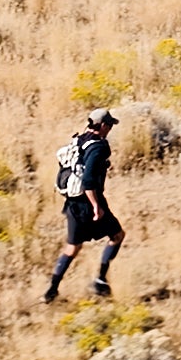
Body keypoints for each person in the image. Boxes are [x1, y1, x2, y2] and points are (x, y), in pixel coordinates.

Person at [43, 107, 124, 302]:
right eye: (110, 125)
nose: (110, 128)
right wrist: (96, 205)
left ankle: (51, 290)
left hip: (72, 203)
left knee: (73, 247)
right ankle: (100, 280)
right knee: (117, 235)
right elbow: (88, 180)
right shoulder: (99, 147)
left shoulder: (80, 139)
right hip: (89, 202)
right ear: (103, 125)